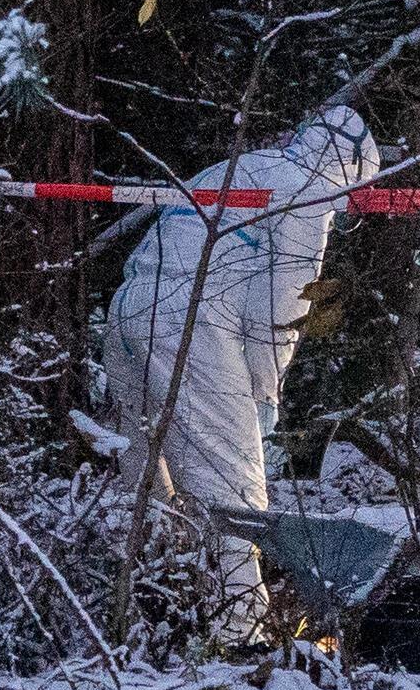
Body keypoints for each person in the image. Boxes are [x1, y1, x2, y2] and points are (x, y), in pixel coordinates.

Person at [103, 106, 381, 645]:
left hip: (128, 312)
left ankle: (146, 609)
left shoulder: (235, 168)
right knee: (233, 485)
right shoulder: (309, 195)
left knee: (148, 481)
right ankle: (240, 631)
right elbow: (280, 309)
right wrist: (264, 393)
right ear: (350, 170)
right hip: (193, 324)